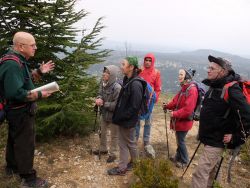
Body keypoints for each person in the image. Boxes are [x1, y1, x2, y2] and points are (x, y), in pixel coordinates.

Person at [0, 32, 55, 188]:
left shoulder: (17, 60)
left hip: (15, 110)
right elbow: (15, 93)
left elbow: (21, 80)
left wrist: (38, 72)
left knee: (14, 139)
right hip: (20, 110)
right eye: (32, 45)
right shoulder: (12, 63)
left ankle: (11, 167)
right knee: (25, 143)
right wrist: (39, 94)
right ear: (21, 46)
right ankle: (29, 178)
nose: (35, 48)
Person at [191, 55, 250, 188]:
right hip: (210, 138)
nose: (208, 70)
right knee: (212, 173)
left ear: (222, 71)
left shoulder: (231, 89)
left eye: (212, 68)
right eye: (209, 67)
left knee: (200, 174)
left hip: (217, 141)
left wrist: (236, 137)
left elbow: (247, 116)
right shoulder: (216, 85)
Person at [108, 56, 146, 176]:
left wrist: (121, 117)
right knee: (127, 143)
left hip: (127, 121)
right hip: (125, 120)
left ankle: (124, 167)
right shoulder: (127, 79)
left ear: (131, 67)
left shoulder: (135, 85)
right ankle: (132, 164)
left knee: (126, 143)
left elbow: (134, 107)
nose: (121, 66)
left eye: (123, 64)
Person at [163, 68, 198, 168]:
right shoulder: (184, 88)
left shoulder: (192, 90)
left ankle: (185, 160)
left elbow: (188, 109)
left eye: (181, 75)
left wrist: (175, 114)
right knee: (179, 140)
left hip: (184, 121)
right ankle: (178, 157)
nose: (179, 76)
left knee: (181, 141)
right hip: (180, 121)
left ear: (187, 76)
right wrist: (167, 106)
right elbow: (175, 102)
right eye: (179, 74)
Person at [93, 65, 121, 163]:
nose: (104, 73)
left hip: (114, 116)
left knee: (114, 135)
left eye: (107, 72)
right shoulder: (103, 83)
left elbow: (117, 105)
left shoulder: (117, 88)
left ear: (112, 75)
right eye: (104, 71)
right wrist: (99, 98)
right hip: (104, 113)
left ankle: (113, 154)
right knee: (103, 132)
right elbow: (99, 93)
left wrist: (104, 104)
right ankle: (103, 149)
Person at [136, 53, 162, 146]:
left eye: (149, 60)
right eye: (146, 60)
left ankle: (146, 140)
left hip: (150, 100)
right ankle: (135, 137)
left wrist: (155, 98)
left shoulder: (156, 72)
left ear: (152, 61)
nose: (147, 62)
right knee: (137, 119)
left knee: (148, 121)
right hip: (139, 99)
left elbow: (158, 88)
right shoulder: (139, 71)